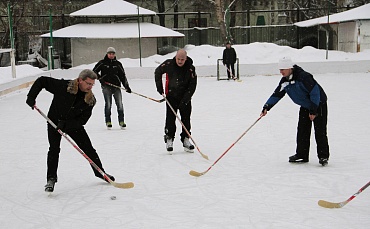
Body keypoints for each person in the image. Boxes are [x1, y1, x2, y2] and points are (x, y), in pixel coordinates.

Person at [26, 69, 115, 192]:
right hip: (54, 123)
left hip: (73, 126)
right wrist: (31, 97)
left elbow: (83, 120)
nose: (90, 87)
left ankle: (100, 173)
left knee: (88, 148)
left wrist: (67, 124)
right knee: (54, 149)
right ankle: (51, 179)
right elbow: (42, 81)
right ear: (80, 80)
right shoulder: (64, 87)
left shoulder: (90, 100)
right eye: (88, 83)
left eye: (92, 84)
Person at [260, 57, 330, 166]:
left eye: (283, 69)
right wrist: (267, 107)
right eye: (280, 69)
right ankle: (302, 155)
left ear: (290, 68)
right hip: (305, 105)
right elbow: (277, 94)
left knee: (320, 131)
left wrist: (313, 110)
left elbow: (315, 93)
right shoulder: (285, 81)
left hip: (318, 104)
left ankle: (323, 156)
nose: (281, 72)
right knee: (302, 130)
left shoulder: (304, 77)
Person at [155, 49, 197, 153]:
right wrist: (159, 87)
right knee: (170, 119)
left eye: (182, 59)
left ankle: (185, 139)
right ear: (175, 57)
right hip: (171, 96)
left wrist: (186, 99)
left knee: (186, 119)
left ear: (186, 59)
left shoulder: (190, 68)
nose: (180, 61)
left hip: (185, 98)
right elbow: (157, 71)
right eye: (178, 59)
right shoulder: (169, 64)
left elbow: (193, 85)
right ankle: (169, 138)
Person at [93, 47, 131, 130]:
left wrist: (127, 87)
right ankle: (108, 121)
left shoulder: (118, 64)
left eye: (113, 54)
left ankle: (121, 121)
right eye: (110, 54)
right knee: (108, 104)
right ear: (107, 54)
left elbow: (122, 76)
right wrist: (101, 79)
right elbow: (94, 71)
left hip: (116, 87)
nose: (111, 55)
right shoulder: (102, 63)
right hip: (106, 86)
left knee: (120, 104)